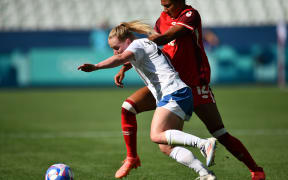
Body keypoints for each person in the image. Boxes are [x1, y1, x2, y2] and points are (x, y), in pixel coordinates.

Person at [113, 0, 266, 180]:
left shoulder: (190, 15)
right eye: (162, 5)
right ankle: (134, 158)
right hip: (170, 83)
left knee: (219, 132)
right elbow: (151, 50)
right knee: (132, 111)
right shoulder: (162, 18)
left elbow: (165, 38)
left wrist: (142, 40)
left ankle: (256, 171)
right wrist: (125, 66)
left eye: (168, 5)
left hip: (194, 84)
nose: (164, 9)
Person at [78, 21, 217, 180]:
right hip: (179, 92)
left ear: (128, 41)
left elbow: (123, 57)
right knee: (166, 146)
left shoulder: (137, 44)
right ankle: (205, 173)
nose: (115, 52)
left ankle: (203, 144)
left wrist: (96, 67)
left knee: (156, 135)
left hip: (173, 92)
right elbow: (126, 58)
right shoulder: (141, 44)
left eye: (116, 48)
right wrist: (123, 69)